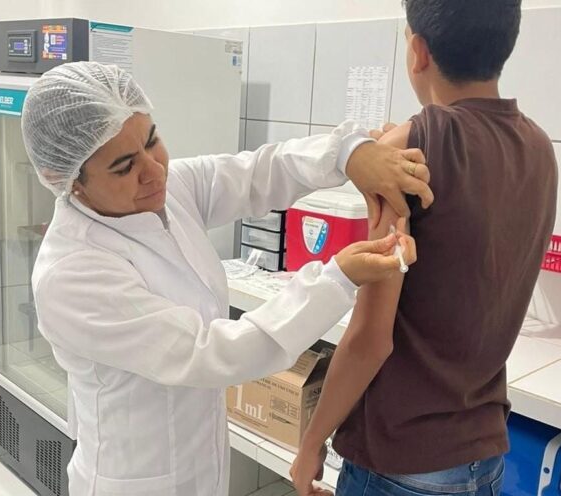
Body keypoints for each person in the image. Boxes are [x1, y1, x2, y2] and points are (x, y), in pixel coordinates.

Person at [22, 61, 433, 496]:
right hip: (135, 481)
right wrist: (337, 279)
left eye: (152, 140)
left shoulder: (165, 189)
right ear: (68, 181)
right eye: (124, 167)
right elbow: (209, 353)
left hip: (200, 466)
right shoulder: (72, 274)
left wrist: (349, 153)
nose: (154, 170)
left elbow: (257, 173)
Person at [290, 1, 558, 495]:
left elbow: (371, 339)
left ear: (417, 51)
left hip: (400, 462)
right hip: (484, 456)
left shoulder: (410, 148)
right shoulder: (539, 147)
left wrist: (311, 442)